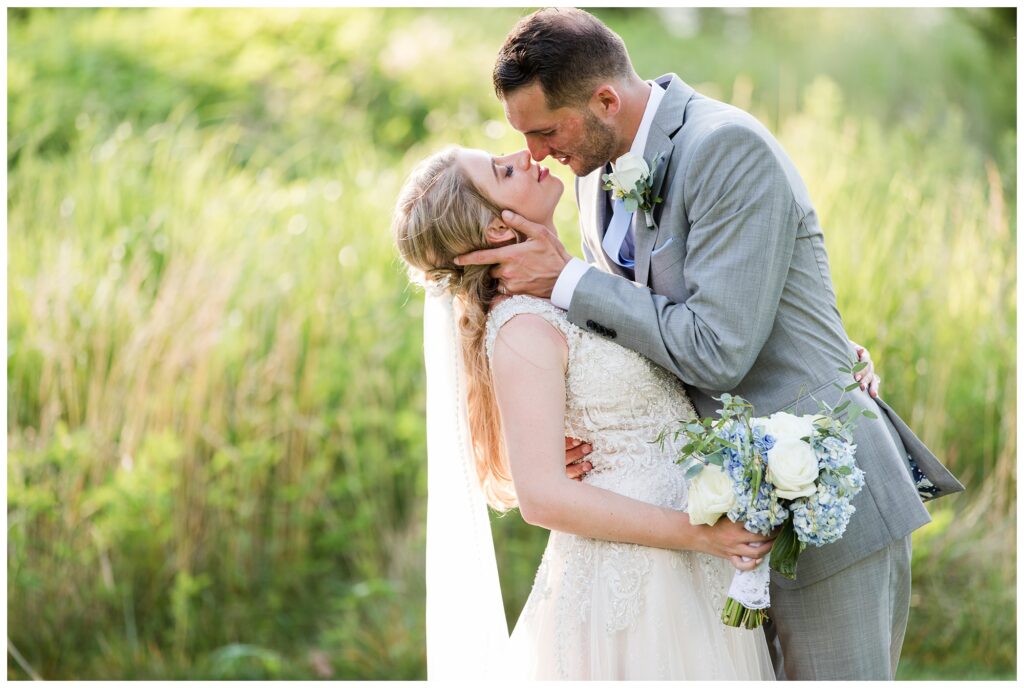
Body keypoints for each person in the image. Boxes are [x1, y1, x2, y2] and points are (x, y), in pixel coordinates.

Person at [454, 8, 964, 680]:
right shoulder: (589, 174)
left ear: (605, 100)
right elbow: (629, 333)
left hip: (819, 500)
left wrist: (568, 279)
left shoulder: (727, 149)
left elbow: (719, 350)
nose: (537, 154)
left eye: (545, 131)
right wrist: (586, 437)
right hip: (714, 524)